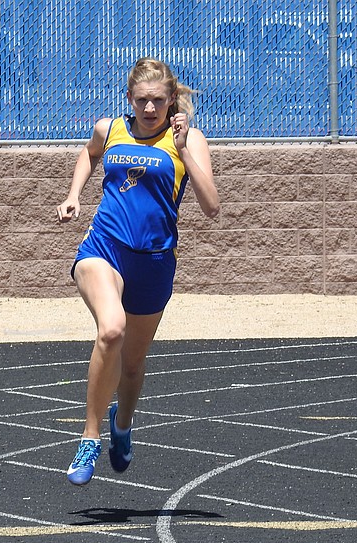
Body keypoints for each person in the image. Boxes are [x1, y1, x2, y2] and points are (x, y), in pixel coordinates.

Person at [56, 57, 220, 486]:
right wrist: (74, 194)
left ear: (171, 101)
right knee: (111, 330)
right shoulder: (109, 129)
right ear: (130, 98)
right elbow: (88, 154)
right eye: (143, 101)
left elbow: (212, 206)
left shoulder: (189, 139)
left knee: (132, 364)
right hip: (104, 246)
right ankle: (89, 437)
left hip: (154, 259)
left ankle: (122, 423)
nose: (150, 109)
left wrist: (183, 150)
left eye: (159, 101)